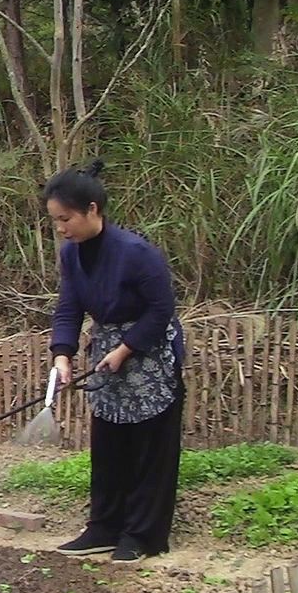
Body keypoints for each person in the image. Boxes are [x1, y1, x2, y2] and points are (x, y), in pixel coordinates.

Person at [44, 160, 185, 563]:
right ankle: (103, 526)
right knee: (108, 443)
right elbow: (68, 307)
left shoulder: (137, 254)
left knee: (149, 447)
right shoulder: (71, 257)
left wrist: (126, 349)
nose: (61, 229)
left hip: (149, 353)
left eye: (66, 219)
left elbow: (161, 310)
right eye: (55, 221)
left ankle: (141, 535)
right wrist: (62, 355)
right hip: (107, 350)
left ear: (93, 210)